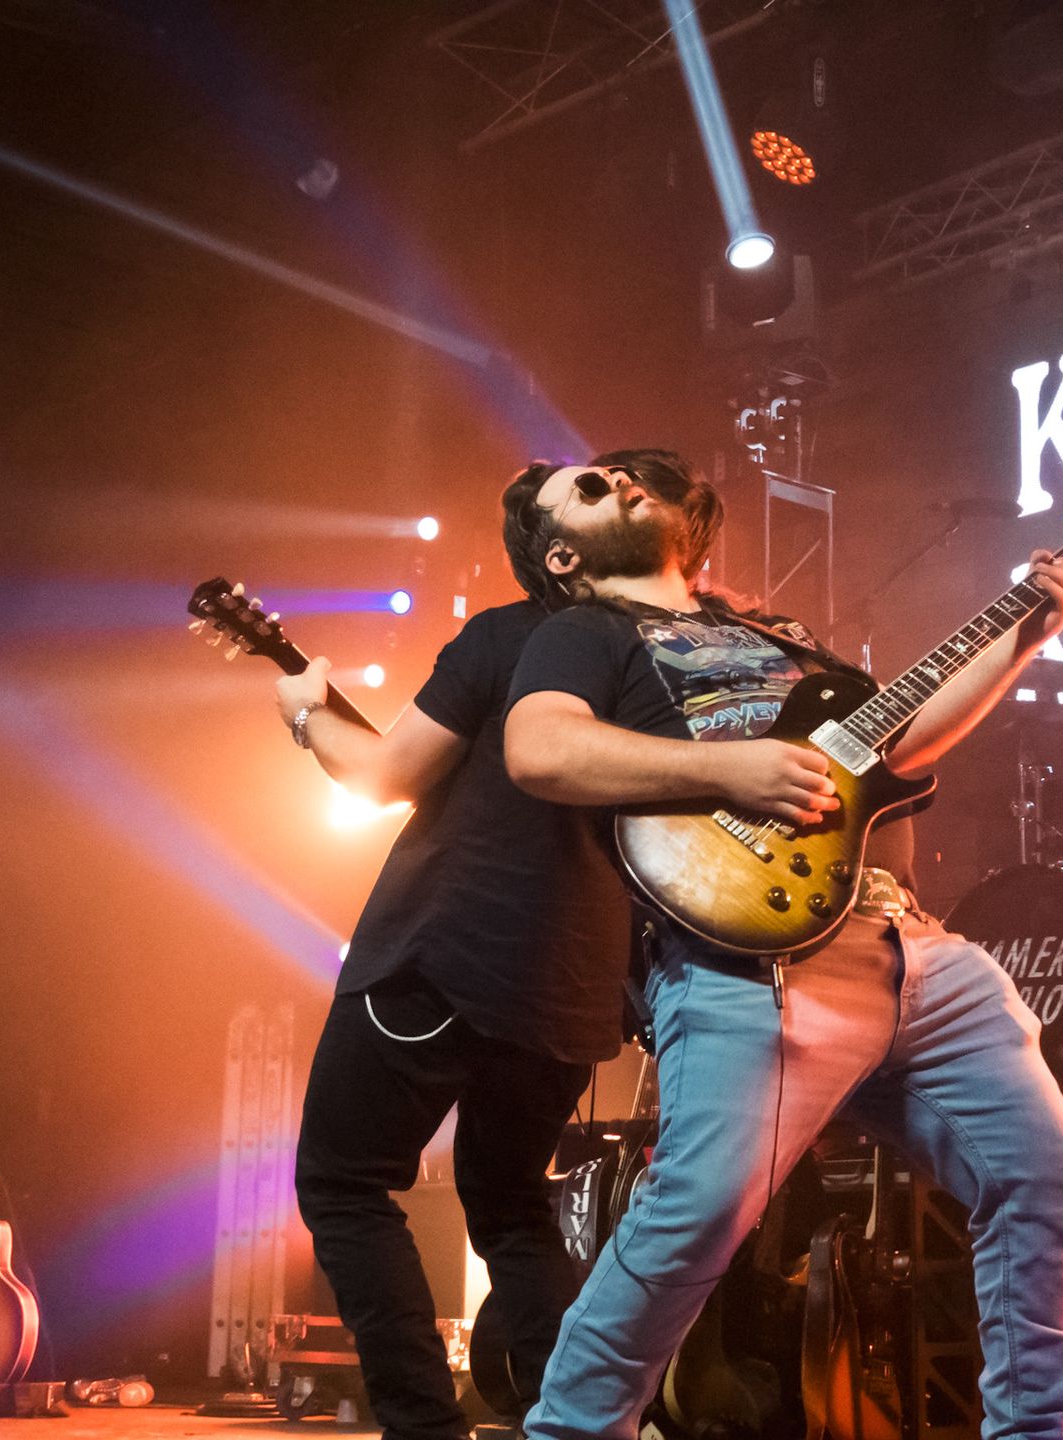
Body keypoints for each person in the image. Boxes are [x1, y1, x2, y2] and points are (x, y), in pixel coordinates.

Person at [499, 462, 1063, 1440]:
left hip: (908, 943)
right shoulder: (586, 633)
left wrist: (1023, 634)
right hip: (748, 955)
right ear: (562, 556)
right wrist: (734, 768)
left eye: (625, 474)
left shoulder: (784, 643)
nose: (620, 479)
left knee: (1040, 1173)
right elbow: (541, 750)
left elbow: (899, 748)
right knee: (698, 1211)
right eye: (590, 488)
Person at [281, 452, 717, 1440]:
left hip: (445, 954)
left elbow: (382, 775)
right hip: (574, 987)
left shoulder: (512, 636)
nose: (618, 484)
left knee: (344, 1183)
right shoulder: (682, 654)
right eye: (594, 484)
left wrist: (304, 710)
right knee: (511, 1203)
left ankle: (423, 1427)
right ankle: (586, 1420)